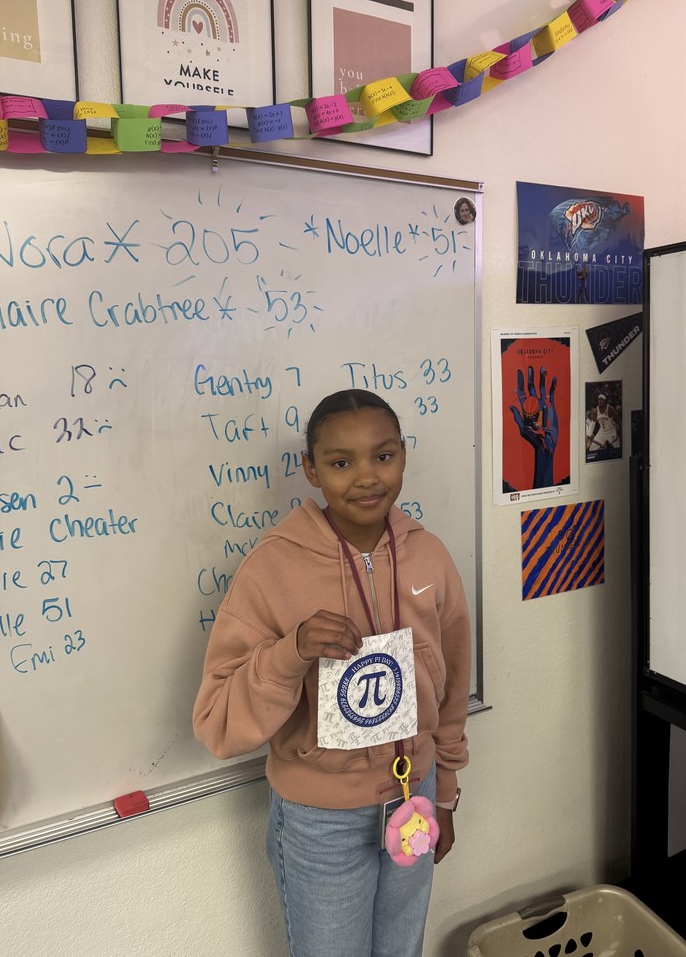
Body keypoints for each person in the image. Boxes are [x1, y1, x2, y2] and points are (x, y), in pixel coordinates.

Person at [193, 389, 471, 957]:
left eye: (383, 456)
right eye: (341, 462)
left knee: (402, 949)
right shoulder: (272, 567)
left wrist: (444, 789)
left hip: (411, 796)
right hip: (322, 822)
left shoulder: (429, 557)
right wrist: (290, 652)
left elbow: (453, 685)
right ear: (311, 470)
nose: (366, 477)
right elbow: (217, 723)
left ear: (403, 456)